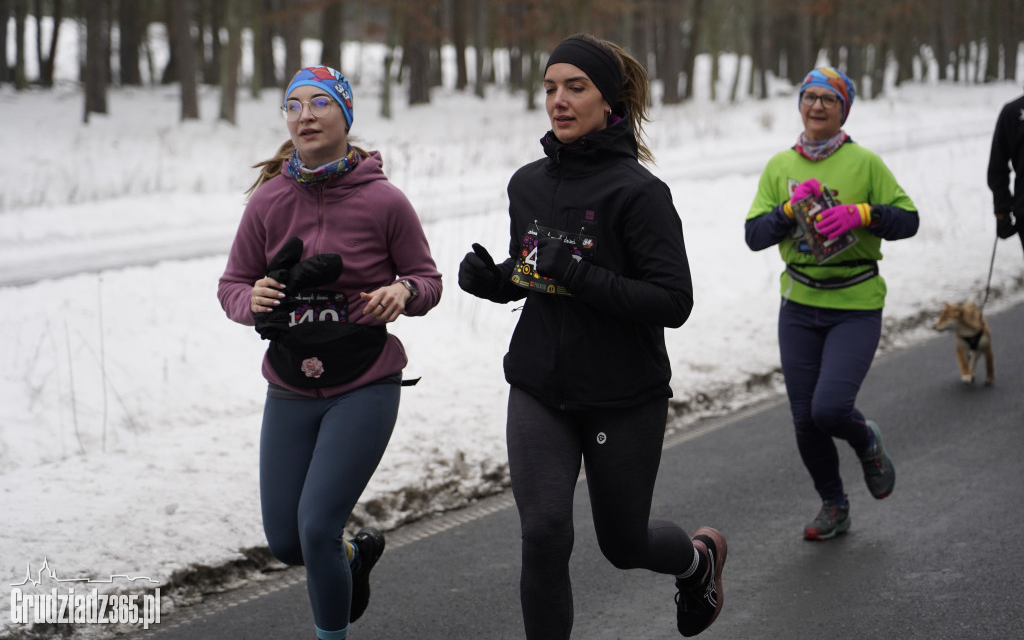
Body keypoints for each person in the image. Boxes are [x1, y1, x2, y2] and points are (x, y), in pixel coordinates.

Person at [457, 33, 726, 638]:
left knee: (624, 544)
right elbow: (536, 271)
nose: (559, 100)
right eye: (550, 87)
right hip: (539, 385)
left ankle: (696, 562)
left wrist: (578, 274)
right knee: (544, 532)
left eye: (575, 87)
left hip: (622, 393)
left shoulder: (640, 193)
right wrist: (496, 281)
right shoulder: (527, 184)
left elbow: (673, 302)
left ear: (609, 101)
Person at [217, 65, 442, 640]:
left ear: (345, 114)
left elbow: (427, 279)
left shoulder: (384, 201)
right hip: (290, 384)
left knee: (316, 527)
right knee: (288, 543)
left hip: (364, 382)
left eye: (320, 103)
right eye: (293, 105)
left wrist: (403, 292)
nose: (305, 116)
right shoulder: (268, 201)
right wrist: (252, 299)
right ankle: (352, 557)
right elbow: (232, 286)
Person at [744, 67, 918, 541]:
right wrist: (786, 211)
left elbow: (909, 220)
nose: (817, 105)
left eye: (829, 99)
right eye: (810, 97)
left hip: (856, 303)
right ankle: (834, 504)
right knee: (805, 419)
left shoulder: (865, 163)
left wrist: (864, 214)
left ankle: (866, 440)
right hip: (799, 305)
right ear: (800, 104)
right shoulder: (780, 166)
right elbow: (753, 235)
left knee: (830, 408)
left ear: (844, 110)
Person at [986, 87, 1024, 256]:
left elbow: (997, 168)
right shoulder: (1013, 113)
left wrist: (1002, 211)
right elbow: (998, 167)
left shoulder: (1012, 111)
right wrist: (1001, 211)